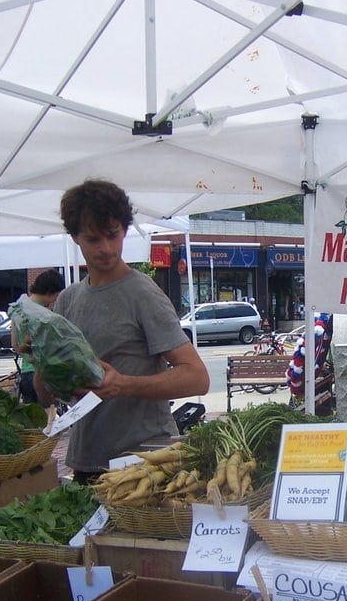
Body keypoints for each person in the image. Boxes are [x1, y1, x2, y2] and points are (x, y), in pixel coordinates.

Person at [34, 179, 210, 483]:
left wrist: (123, 384)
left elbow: (197, 377)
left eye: (113, 236)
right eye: (93, 239)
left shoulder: (143, 294)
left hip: (144, 462)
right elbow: (44, 394)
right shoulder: (67, 300)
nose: (106, 248)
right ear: (75, 237)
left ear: (125, 230)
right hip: (87, 461)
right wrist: (41, 354)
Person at [12, 269, 66, 404]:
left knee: (33, 421)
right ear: (50, 291)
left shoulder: (17, 309)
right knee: (51, 421)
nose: (54, 300)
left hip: (25, 374)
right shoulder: (42, 316)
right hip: (43, 376)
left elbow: (15, 345)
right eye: (56, 295)